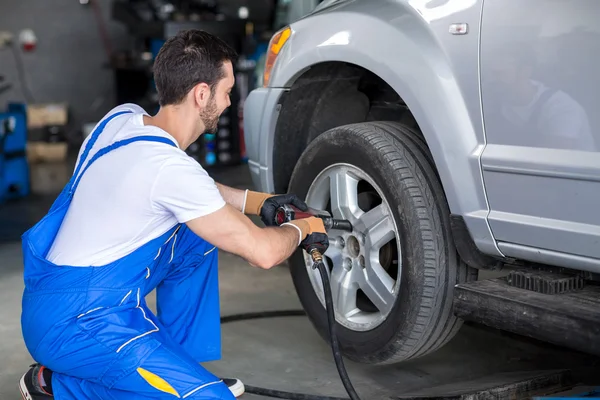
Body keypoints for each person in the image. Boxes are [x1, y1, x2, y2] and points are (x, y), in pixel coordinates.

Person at [19, 29, 329, 400]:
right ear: (202, 94)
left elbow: (190, 195)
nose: (230, 103)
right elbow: (262, 253)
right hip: (78, 323)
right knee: (209, 399)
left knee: (197, 235)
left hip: (55, 292)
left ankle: (179, 365)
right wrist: (302, 228)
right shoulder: (170, 169)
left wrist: (256, 201)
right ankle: (53, 383)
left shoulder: (122, 119)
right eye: (227, 92)